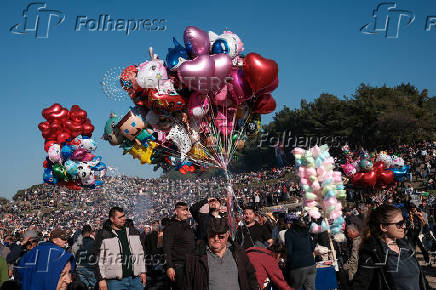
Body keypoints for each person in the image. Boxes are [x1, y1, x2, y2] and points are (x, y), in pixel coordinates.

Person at [353, 204, 429, 289]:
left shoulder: (407, 247)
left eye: (404, 222)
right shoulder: (373, 254)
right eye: (399, 224)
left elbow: (422, 281)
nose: (404, 226)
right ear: (384, 227)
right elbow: (359, 285)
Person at [184, 217, 259, 290]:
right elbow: (188, 285)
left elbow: (251, 277)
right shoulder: (195, 257)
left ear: (227, 234)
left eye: (221, 236)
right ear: (207, 234)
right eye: (212, 235)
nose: (216, 239)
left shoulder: (238, 252)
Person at [94, 207, 146, 290]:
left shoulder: (133, 232)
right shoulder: (103, 235)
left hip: (135, 279)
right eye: (120, 217)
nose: (123, 219)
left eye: (123, 216)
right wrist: (101, 279)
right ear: (112, 219)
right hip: (114, 281)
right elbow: (97, 258)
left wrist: (143, 271)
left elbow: (141, 253)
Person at [163, 202, 195, 290]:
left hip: (189, 264)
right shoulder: (170, 227)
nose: (186, 212)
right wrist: (169, 266)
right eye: (183, 210)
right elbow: (167, 248)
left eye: (187, 210)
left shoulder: (187, 225)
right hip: (178, 265)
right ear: (176, 211)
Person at [284, 214, 316, 290]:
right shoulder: (305, 231)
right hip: (311, 263)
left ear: (288, 223)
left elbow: (289, 251)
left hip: (298, 266)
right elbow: (312, 247)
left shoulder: (289, 233)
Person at [75, 225, 96, 289]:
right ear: (90, 232)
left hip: (79, 268)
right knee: (95, 286)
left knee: (83, 287)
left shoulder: (75, 244)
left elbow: (74, 256)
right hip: (90, 268)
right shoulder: (94, 242)